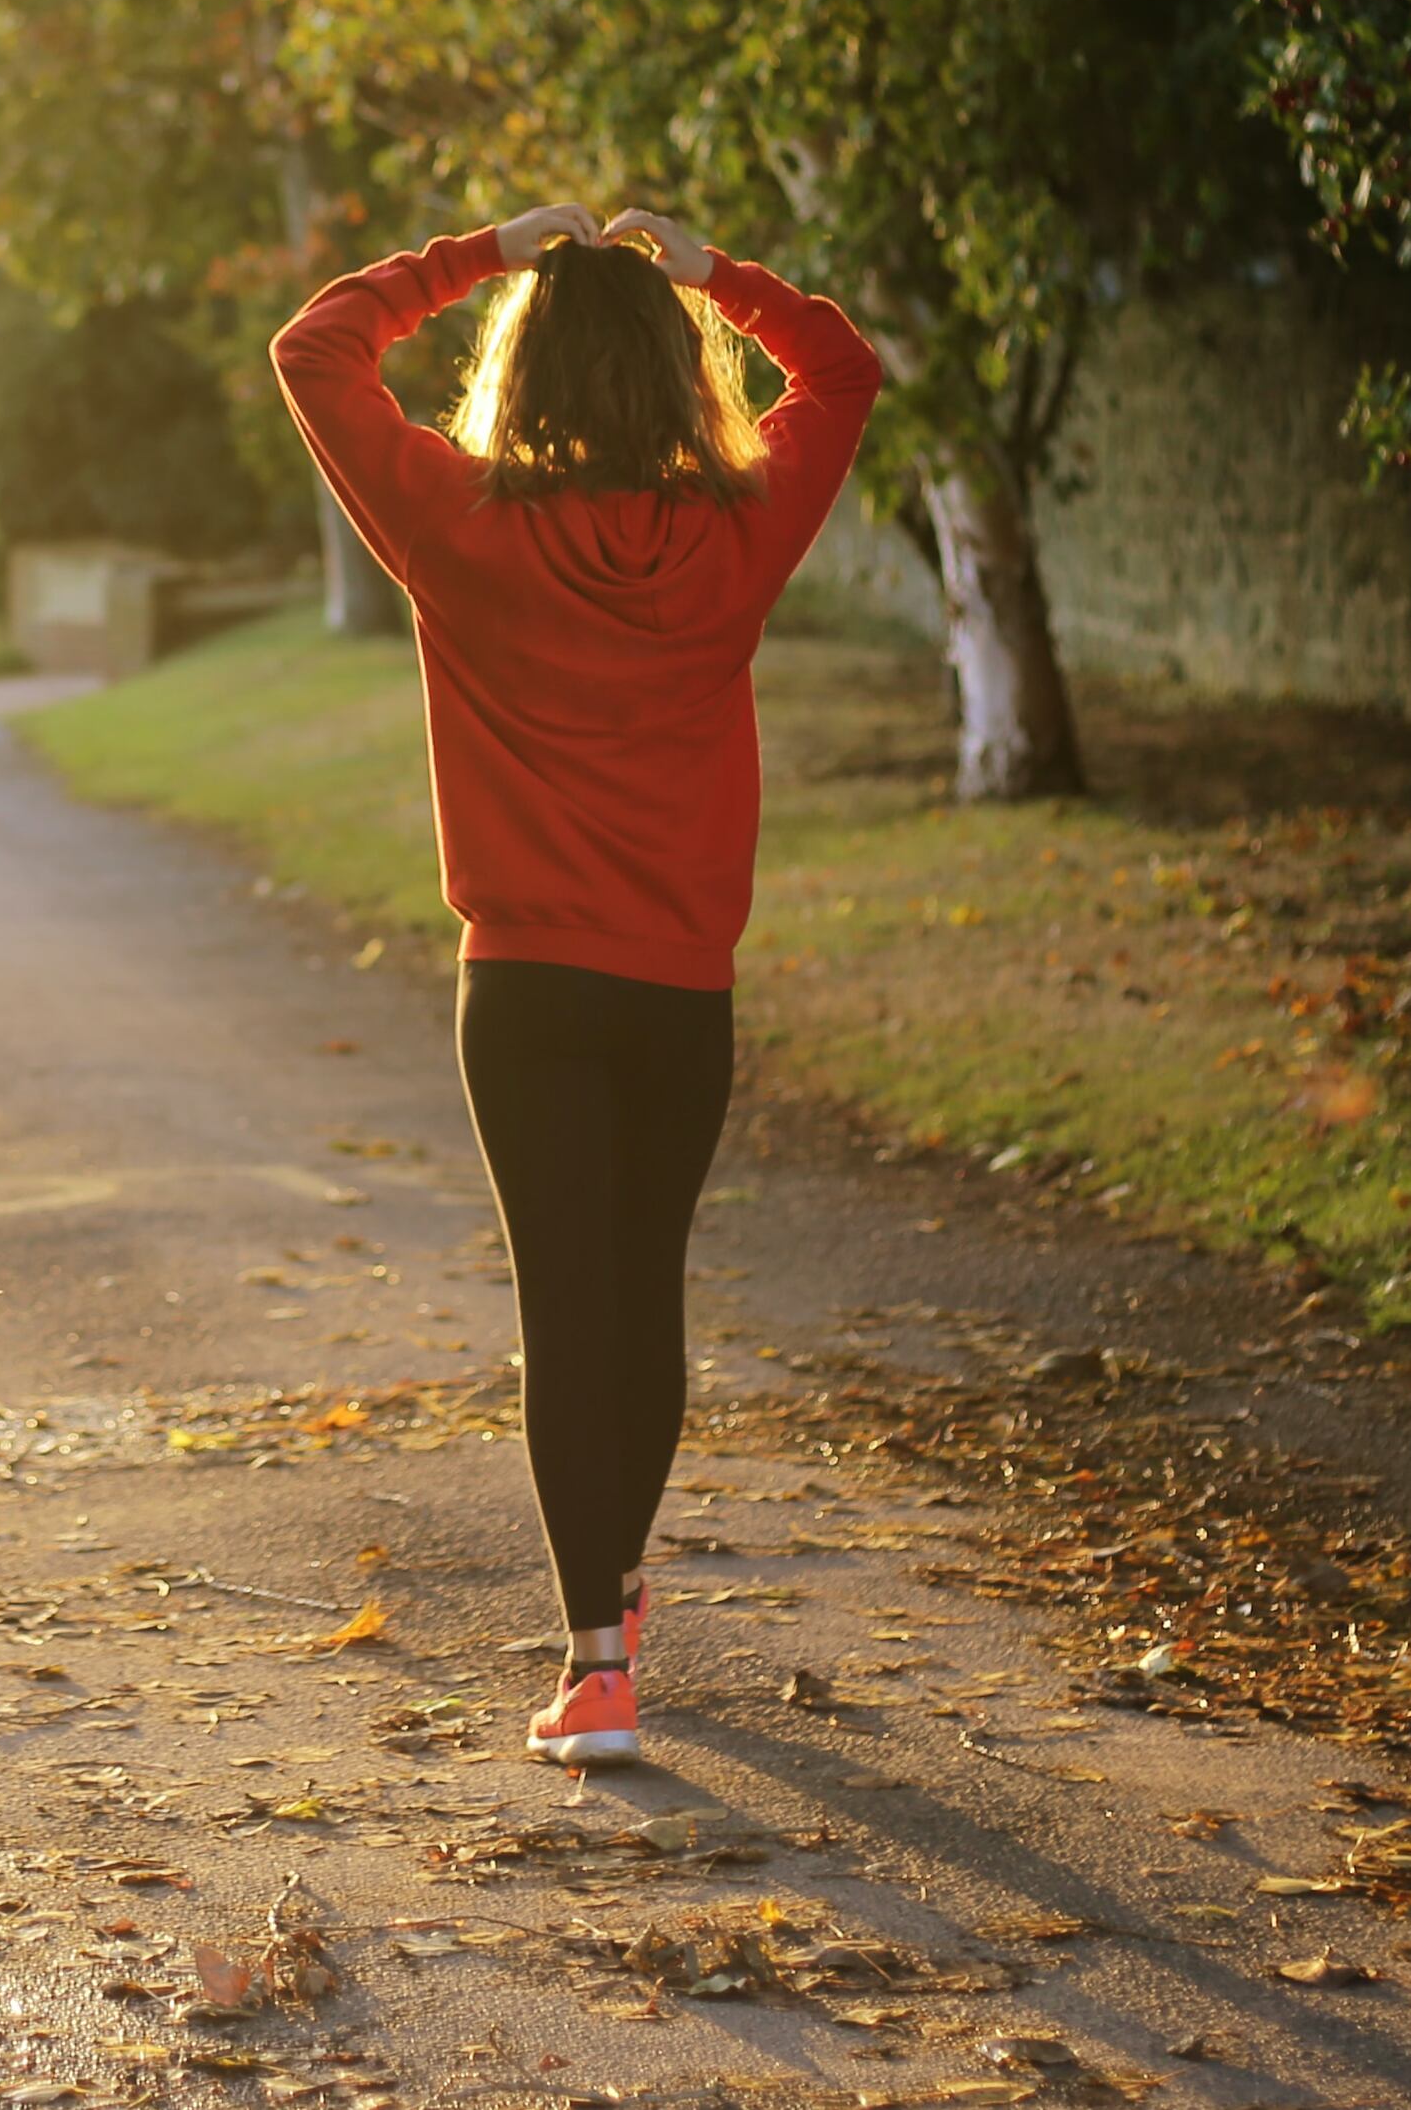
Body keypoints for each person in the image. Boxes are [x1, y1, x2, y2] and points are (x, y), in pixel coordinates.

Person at [270, 198, 884, 1765]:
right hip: (679, 989)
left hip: (527, 989)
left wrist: (481, 252)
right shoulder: (741, 531)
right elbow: (845, 367)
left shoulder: (457, 524)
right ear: (681, 379)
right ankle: (610, 1599)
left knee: (566, 1303)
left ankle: (597, 1658)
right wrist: (714, 275)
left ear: (522, 374)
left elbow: (316, 347)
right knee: (645, 1291)